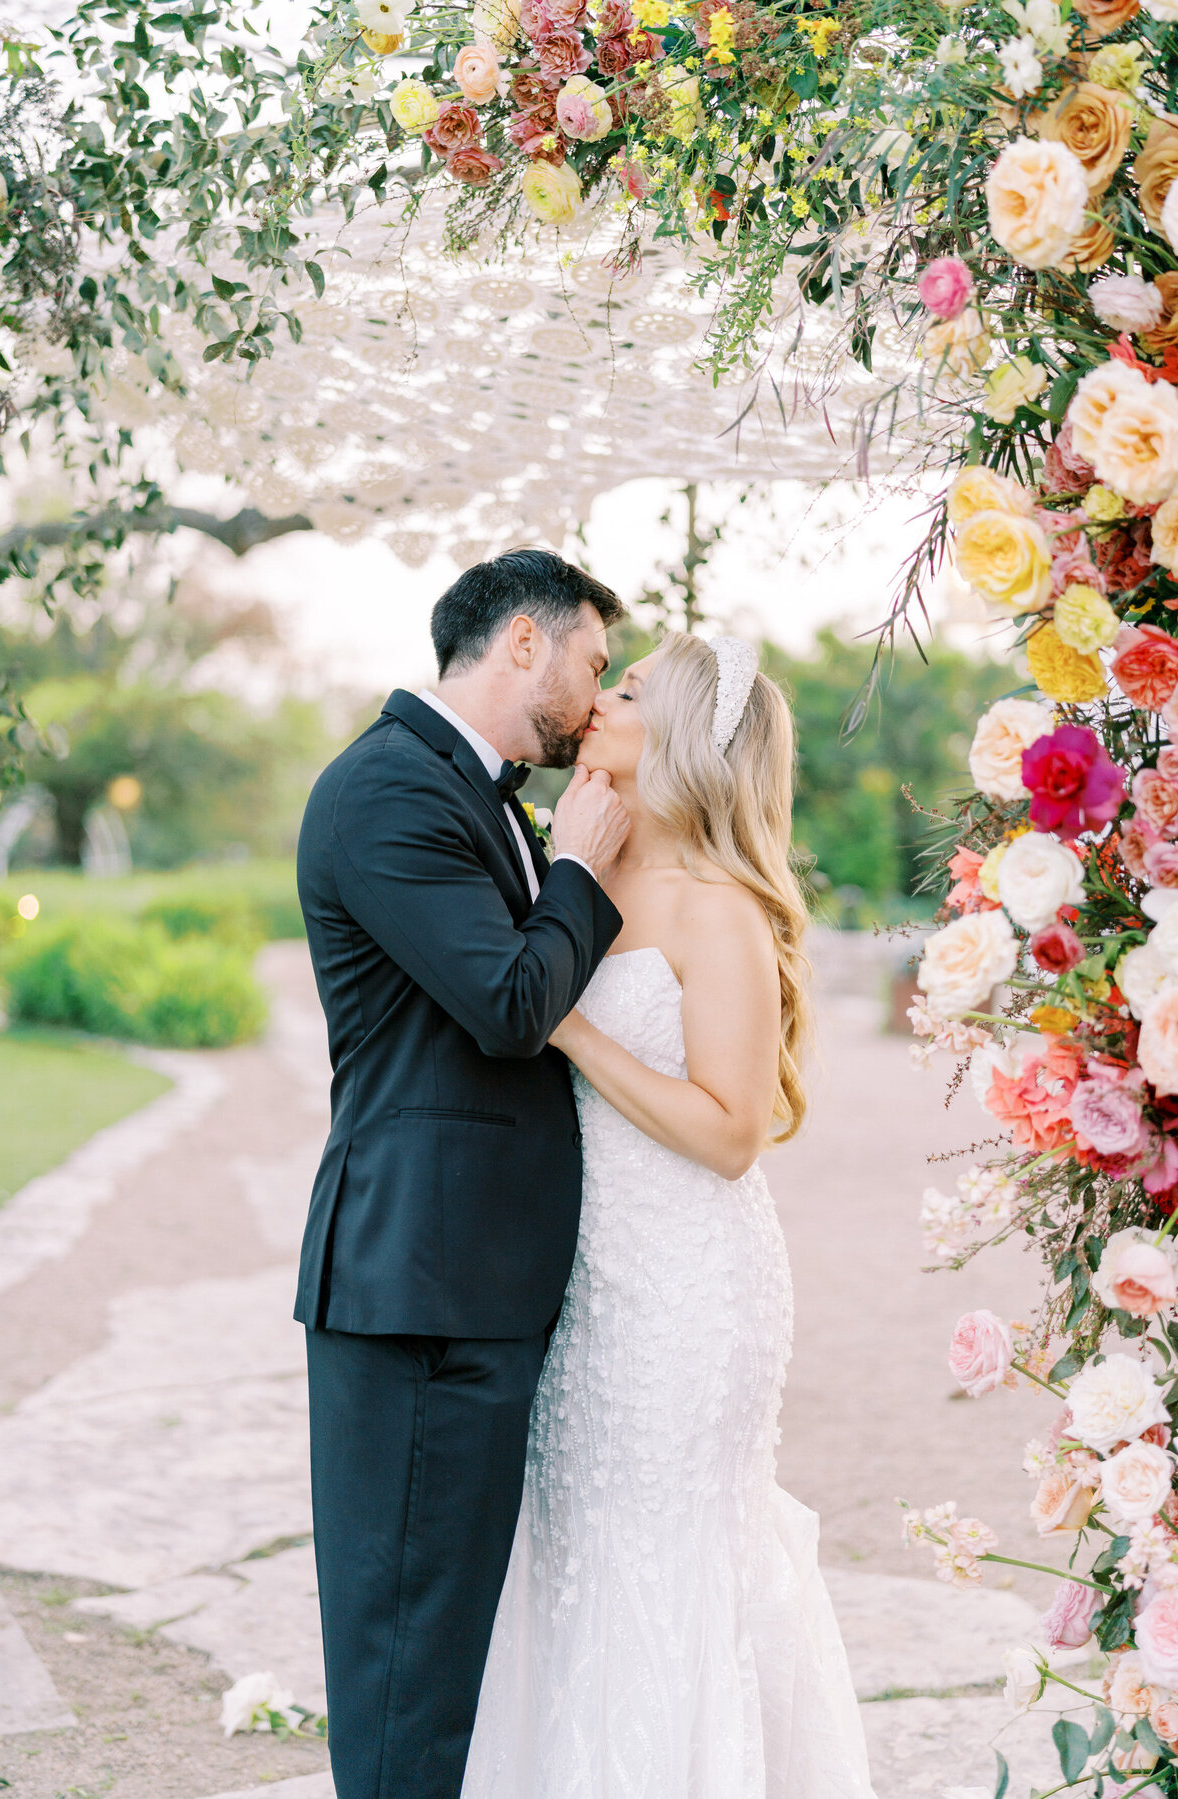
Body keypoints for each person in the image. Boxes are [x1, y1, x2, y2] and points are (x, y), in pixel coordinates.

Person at [461, 631, 876, 1799]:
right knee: (581, 1552)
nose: (602, 699)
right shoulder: (587, 863)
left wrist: (574, 1029)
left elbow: (733, 1131)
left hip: (690, 1283)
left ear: (685, 734)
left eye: (630, 688)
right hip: (588, 1277)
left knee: (667, 1557)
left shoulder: (717, 906)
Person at [295, 549, 630, 1799]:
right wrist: (583, 868)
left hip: (469, 1282)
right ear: (524, 644)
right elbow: (505, 1003)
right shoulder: (388, 790)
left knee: (447, 1665)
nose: (597, 699)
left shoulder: (476, 792)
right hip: (419, 1292)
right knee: (406, 1675)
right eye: (594, 662)